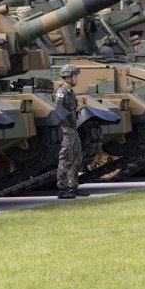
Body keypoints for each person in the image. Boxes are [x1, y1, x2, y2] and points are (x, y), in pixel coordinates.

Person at [55, 64, 89, 199]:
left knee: (77, 158)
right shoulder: (61, 93)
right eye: (74, 76)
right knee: (66, 158)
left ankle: (73, 186)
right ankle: (62, 189)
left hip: (73, 129)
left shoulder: (71, 92)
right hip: (65, 128)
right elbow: (58, 110)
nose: (76, 79)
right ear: (67, 77)